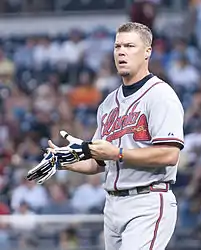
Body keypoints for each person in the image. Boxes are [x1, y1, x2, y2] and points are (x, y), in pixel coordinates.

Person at [27, 22, 184, 250]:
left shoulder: (160, 95)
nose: (121, 52)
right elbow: (98, 161)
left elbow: (170, 154)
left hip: (147, 200)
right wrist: (63, 161)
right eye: (117, 46)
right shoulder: (108, 103)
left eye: (130, 46)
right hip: (112, 204)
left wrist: (118, 153)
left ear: (147, 51)